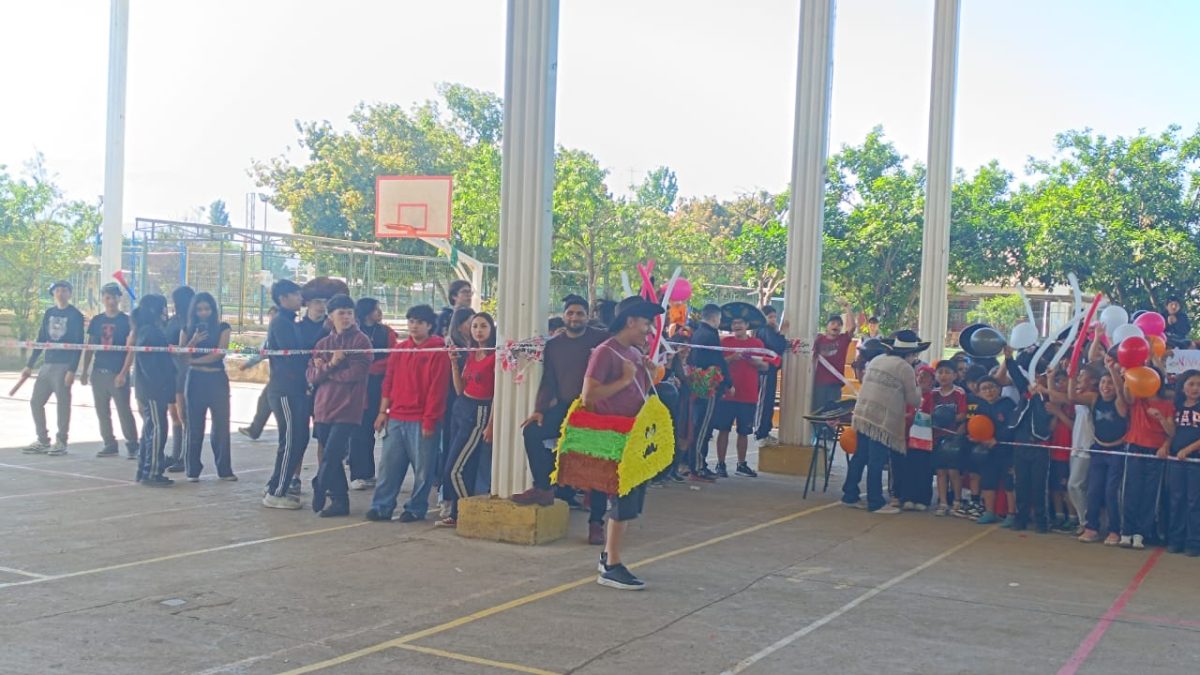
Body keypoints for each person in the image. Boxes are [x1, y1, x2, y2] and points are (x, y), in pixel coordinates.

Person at [512, 295, 609, 545]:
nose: (574, 318)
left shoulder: (600, 339)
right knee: (532, 432)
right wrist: (540, 409)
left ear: (588, 316)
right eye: (570, 313)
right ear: (563, 315)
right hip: (565, 407)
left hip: (594, 409)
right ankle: (544, 487)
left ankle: (596, 522)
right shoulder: (553, 345)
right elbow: (549, 381)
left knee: (595, 462)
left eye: (579, 313)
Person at [584, 295, 663, 591]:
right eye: (646, 322)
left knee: (630, 502)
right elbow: (588, 395)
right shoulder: (606, 352)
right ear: (630, 321)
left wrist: (648, 374)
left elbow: (638, 392)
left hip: (634, 434)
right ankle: (611, 563)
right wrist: (625, 381)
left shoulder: (631, 352)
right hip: (615, 436)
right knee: (622, 498)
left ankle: (611, 557)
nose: (649, 329)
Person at [367, 304, 450, 522]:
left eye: (419, 322)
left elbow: (437, 389)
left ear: (429, 325)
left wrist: (430, 420)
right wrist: (383, 411)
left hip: (422, 419)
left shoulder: (438, 351)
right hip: (396, 417)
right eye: (411, 321)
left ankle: (416, 507)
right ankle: (382, 506)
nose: (414, 326)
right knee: (388, 466)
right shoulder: (400, 349)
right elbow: (389, 381)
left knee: (423, 469)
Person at [841, 330, 924, 514]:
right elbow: (913, 400)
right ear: (910, 354)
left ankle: (849, 494)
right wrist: (921, 389)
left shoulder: (878, 359)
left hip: (863, 413)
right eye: (915, 355)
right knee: (876, 460)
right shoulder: (905, 368)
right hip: (881, 419)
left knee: (861, 456)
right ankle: (875, 501)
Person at [307, 294, 372, 518]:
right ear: (331, 316)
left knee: (333, 453)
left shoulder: (361, 341)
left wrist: (327, 369)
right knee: (329, 454)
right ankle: (339, 500)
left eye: (349, 313)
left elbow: (357, 373)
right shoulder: (323, 343)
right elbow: (312, 376)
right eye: (341, 313)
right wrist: (334, 363)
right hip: (323, 407)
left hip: (348, 407)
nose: (346, 317)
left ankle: (320, 484)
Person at [438, 313, 497, 527]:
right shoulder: (472, 353)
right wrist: (454, 364)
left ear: (492, 329)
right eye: (475, 326)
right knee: (465, 466)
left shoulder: (495, 356)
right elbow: (460, 388)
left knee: (454, 469)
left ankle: (468, 513)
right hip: (462, 406)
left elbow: (497, 395)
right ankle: (456, 513)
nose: (479, 330)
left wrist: (490, 424)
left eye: (483, 326)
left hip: (479, 411)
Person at [262, 280, 312, 509]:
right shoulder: (281, 323)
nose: (300, 298)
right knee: (290, 440)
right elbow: (293, 357)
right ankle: (277, 492)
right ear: (283, 298)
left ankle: (276, 483)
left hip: (297, 390)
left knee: (300, 439)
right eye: (296, 294)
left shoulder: (292, 322)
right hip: (284, 390)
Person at [22, 280, 85, 456]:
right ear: (53, 293)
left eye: (65, 290)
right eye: (58, 290)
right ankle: (42, 440)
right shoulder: (49, 312)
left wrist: (72, 370)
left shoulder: (75, 315)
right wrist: (29, 365)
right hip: (47, 363)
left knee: (63, 404)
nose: (61, 293)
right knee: (36, 401)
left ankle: (61, 440)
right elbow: (41, 338)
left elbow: (78, 344)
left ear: (70, 293)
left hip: (64, 364)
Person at [1115, 364, 1174, 550]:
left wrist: (1161, 419)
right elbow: (1126, 396)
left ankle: (1141, 533)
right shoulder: (1138, 400)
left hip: (1155, 453)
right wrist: (1125, 378)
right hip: (1135, 448)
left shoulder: (1167, 405)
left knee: (1150, 494)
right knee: (1130, 491)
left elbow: (1172, 432)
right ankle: (1126, 532)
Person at [180, 292, 235, 482]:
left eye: (207, 309)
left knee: (221, 426)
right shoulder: (186, 329)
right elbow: (182, 355)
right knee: (194, 426)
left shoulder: (223, 327)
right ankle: (192, 470)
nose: (203, 313)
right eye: (199, 309)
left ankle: (224, 469)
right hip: (195, 381)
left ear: (213, 310)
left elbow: (219, 353)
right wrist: (193, 341)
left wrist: (195, 361)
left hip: (217, 380)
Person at [81, 282, 139, 459]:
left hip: (117, 371)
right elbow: (90, 346)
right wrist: (85, 370)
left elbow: (131, 349)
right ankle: (109, 443)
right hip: (99, 371)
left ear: (119, 298)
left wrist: (123, 372)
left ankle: (132, 445)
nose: (110, 300)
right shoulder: (97, 320)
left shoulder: (126, 320)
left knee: (123, 409)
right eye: (107, 297)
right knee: (102, 410)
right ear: (102, 298)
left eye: (114, 296)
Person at [714, 310, 773, 478]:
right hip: (728, 393)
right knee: (723, 430)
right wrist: (733, 357)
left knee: (744, 432)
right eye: (734, 324)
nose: (737, 326)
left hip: (749, 394)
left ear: (747, 326)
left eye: (740, 323)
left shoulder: (757, 343)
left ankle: (741, 464)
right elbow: (718, 363)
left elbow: (765, 366)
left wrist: (751, 360)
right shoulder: (724, 342)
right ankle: (721, 464)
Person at [1076, 360, 1129, 545]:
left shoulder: (1120, 403)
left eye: (1110, 383)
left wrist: (1114, 371)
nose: (1106, 387)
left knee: (1110, 491)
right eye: (1103, 382)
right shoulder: (1094, 399)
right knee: (1093, 490)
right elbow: (1069, 396)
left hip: (1117, 451)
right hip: (1098, 449)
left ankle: (1114, 530)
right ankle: (1092, 528)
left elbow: (1121, 392)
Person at [349, 298, 397, 490]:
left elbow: (394, 357)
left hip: (380, 384)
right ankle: (359, 473)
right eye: (376, 309)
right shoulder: (355, 331)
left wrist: (373, 367)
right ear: (367, 311)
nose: (380, 312)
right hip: (358, 385)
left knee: (379, 427)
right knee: (360, 430)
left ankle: (372, 474)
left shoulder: (386, 332)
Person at [132, 294, 176, 487]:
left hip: (152, 388)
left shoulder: (149, 330)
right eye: (162, 308)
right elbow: (150, 365)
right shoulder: (150, 333)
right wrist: (161, 385)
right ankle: (152, 471)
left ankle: (144, 468)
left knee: (150, 428)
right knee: (158, 428)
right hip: (153, 389)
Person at [685, 304, 732, 481]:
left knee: (700, 425)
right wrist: (728, 382)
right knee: (703, 427)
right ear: (715, 318)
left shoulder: (697, 333)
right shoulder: (710, 335)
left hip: (698, 385)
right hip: (708, 386)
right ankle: (697, 467)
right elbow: (718, 361)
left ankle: (699, 464)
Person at [972, 376, 1017, 526]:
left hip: (1006, 450)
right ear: (978, 393)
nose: (989, 391)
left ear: (999, 389)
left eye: (991, 387)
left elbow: (1012, 426)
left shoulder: (1008, 404)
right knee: (988, 481)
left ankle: (1011, 514)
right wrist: (978, 438)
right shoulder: (981, 407)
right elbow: (976, 425)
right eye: (984, 389)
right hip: (987, 451)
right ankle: (989, 512)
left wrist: (997, 439)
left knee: (1009, 483)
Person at [925, 361, 967, 516]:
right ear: (935, 375)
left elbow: (962, 414)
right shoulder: (933, 394)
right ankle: (942, 502)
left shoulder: (959, 393)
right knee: (941, 472)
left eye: (947, 372)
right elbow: (929, 414)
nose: (943, 375)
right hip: (937, 438)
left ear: (955, 375)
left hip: (953, 438)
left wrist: (948, 418)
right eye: (940, 372)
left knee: (953, 472)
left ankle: (957, 500)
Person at [1166, 369, 1200, 556]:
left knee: (1194, 502)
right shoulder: (1177, 406)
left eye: (1199, 385)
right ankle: (1175, 539)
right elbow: (1172, 432)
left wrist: (1187, 450)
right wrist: (1167, 445)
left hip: (1195, 461)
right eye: (1191, 384)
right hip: (1176, 461)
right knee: (1176, 499)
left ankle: (1194, 542)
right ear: (1183, 387)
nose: (1195, 388)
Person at [164, 286, 195, 472]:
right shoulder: (172, 321)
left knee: (183, 414)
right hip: (170, 371)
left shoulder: (190, 322)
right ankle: (176, 454)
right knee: (174, 414)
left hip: (183, 371)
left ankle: (186, 456)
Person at [238, 306, 279, 441]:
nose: (271, 319)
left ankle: (256, 430)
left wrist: (247, 364)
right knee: (264, 401)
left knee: (274, 405)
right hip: (277, 377)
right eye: (270, 316)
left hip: (282, 378)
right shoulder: (276, 332)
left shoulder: (276, 333)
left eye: (273, 316)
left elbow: (261, 353)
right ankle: (255, 430)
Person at [754, 305, 789, 446]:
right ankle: (760, 432)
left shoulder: (769, 330)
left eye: (775, 317)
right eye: (770, 317)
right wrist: (782, 333)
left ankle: (764, 431)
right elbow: (778, 345)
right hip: (765, 371)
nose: (773, 320)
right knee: (763, 402)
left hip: (771, 370)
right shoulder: (765, 330)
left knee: (768, 402)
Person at [812, 306, 856, 413]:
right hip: (819, 384)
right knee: (817, 413)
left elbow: (852, 327)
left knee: (832, 414)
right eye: (833, 323)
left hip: (835, 385)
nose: (836, 325)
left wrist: (847, 307)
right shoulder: (818, 340)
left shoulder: (843, 340)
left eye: (839, 324)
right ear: (827, 327)